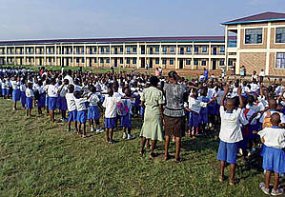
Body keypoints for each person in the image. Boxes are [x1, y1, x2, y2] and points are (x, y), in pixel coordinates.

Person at [217, 84, 244, 185]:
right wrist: (239, 95)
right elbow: (241, 105)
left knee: (222, 159)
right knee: (232, 160)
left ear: (225, 105)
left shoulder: (222, 114)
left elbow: (220, 103)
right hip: (232, 140)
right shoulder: (236, 114)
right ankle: (232, 179)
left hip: (223, 138)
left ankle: (221, 175)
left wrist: (225, 93)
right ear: (234, 106)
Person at [258, 113, 285, 196]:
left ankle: (266, 187)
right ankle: (275, 189)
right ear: (280, 121)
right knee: (277, 171)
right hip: (279, 151)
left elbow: (261, 137)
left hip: (268, 151)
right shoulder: (283, 131)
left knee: (268, 170)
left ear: (270, 121)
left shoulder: (267, 129)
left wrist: (265, 141)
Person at [163, 71, 186, 162]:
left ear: (170, 78)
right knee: (178, 136)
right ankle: (177, 156)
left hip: (168, 112)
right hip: (179, 113)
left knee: (167, 135)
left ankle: (166, 154)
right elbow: (185, 94)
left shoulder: (166, 86)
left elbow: (165, 85)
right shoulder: (182, 87)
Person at [140, 76, 164, 158]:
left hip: (147, 112)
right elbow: (161, 106)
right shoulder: (159, 92)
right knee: (154, 133)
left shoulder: (145, 90)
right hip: (155, 112)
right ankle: (151, 152)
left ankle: (141, 150)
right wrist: (162, 115)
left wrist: (146, 107)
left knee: (145, 132)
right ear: (157, 83)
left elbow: (141, 103)